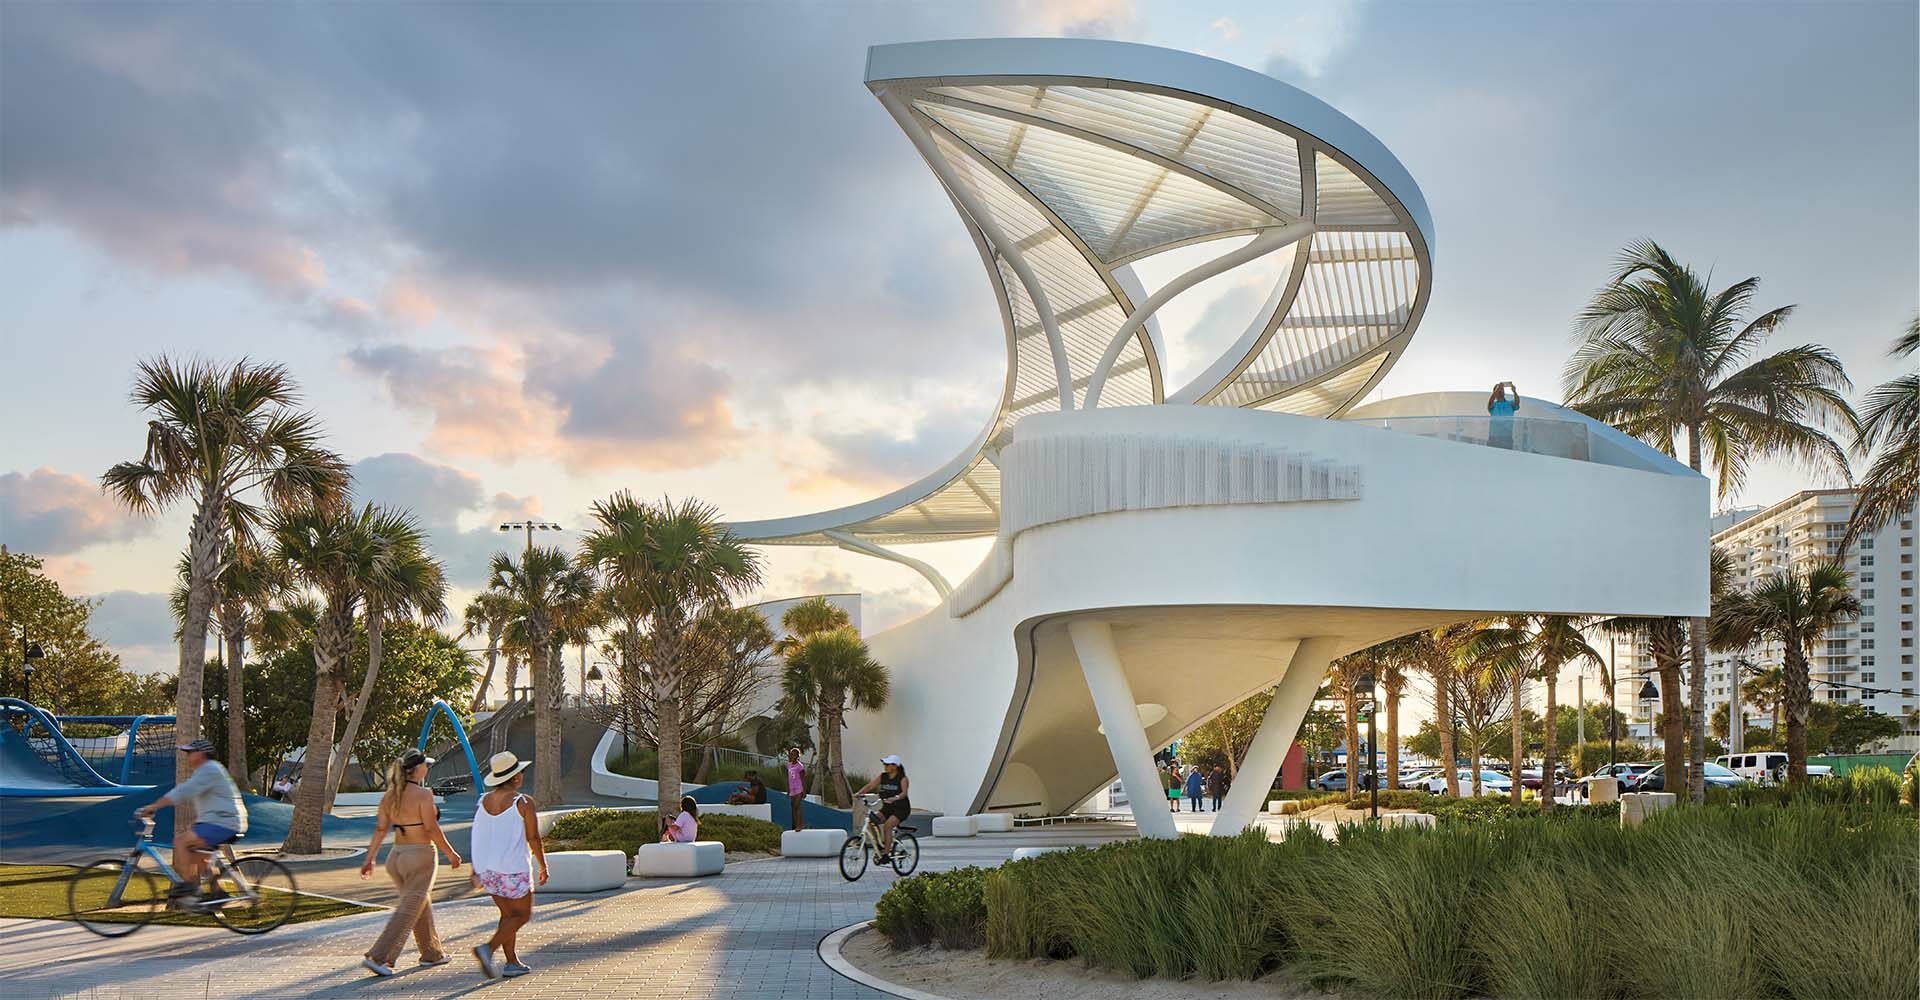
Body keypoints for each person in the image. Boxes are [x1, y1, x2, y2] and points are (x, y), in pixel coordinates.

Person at [359, 750, 461, 977]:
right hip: (420, 856)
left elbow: (380, 829)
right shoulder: (423, 794)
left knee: (418, 903)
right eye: (426, 765)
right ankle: (379, 957)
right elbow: (431, 828)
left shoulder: (390, 795)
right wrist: (451, 853)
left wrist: (369, 859)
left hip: (396, 858)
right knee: (409, 908)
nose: (427, 769)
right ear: (417, 769)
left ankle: (431, 953)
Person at [134, 739, 246, 903]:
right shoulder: (208, 769)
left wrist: (154, 806)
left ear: (201, 754)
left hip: (223, 822)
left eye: (190, 752)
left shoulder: (209, 769)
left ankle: (189, 886)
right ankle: (218, 893)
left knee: (180, 842)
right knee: (199, 858)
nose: (187, 756)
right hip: (219, 821)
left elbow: (184, 791)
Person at [470, 751, 546, 980]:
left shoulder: (483, 801)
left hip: (490, 871)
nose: (522, 775)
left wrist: (476, 869)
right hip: (514, 869)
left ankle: (512, 962)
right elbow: (533, 837)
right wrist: (543, 864)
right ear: (514, 777)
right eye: (520, 772)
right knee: (522, 916)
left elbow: (478, 836)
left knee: (507, 916)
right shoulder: (523, 802)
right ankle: (488, 949)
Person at [854, 755, 910, 858]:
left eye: (887, 765)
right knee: (871, 821)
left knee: (887, 826)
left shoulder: (902, 778)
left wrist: (895, 798)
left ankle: (886, 854)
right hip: (887, 808)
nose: (885, 766)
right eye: (885, 764)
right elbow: (870, 785)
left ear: (895, 766)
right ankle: (880, 844)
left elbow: (904, 793)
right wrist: (859, 793)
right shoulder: (883, 776)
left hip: (901, 809)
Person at [1487, 381, 1519, 449]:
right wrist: (1497, 389)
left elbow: (1517, 403)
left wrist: (1514, 392)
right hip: (1493, 438)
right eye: (1498, 389)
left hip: (1507, 437)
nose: (1500, 390)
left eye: (1502, 389)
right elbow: (1490, 403)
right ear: (1495, 393)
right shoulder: (1493, 405)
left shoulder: (1510, 404)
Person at [783, 747, 808, 832]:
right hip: (792, 788)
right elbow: (788, 778)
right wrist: (788, 790)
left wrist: (804, 791)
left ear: (797, 756)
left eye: (794, 755)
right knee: (793, 807)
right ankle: (797, 824)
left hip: (799, 788)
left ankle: (799, 825)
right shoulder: (788, 765)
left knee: (797, 806)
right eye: (791, 754)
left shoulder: (800, 766)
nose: (792, 756)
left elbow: (803, 779)